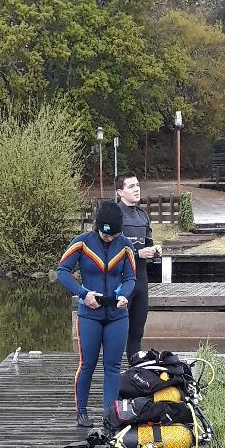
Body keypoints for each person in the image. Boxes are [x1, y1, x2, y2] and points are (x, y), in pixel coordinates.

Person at [56, 201, 136, 428]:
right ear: (97, 227)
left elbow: (130, 278)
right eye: (104, 233)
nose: (108, 238)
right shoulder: (82, 243)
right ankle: (81, 412)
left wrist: (125, 296)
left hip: (117, 315)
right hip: (89, 313)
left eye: (113, 235)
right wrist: (83, 293)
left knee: (112, 366)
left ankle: (109, 414)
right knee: (87, 363)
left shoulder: (126, 246)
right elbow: (62, 271)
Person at [115, 173, 162, 360]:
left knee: (137, 331)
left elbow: (148, 244)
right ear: (120, 192)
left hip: (141, 280)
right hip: (120, 281)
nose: (136, 189)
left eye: (137, 185)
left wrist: (155, 250)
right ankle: (114, 373)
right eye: (131, 186)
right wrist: (137, 253)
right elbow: (108, 252)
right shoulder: (115, 215)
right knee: (119, 331)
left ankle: (134, 374)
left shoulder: (143, 216)